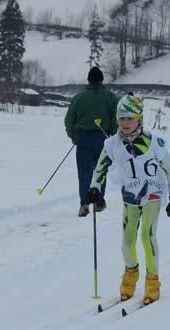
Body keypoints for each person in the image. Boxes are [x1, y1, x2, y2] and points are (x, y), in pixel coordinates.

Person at [88, 95, 170, 305]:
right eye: (121, 119)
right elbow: (100, 169)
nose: (125, 123)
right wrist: (94, 189)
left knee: (147, 237)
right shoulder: (111, 144)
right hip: (130, 197)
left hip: (153, 194)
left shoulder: (154, 142)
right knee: (127, 241)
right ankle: (130, 276)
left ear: (139, 118)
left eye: (130, 118)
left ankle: (152, 281)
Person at [64, 66, 118, 217]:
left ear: (88, 80)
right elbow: (116, 120)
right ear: (101, 80)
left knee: (84, 172)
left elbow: (69, 120)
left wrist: (74, 136)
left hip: (83, 138)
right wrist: (113, 137)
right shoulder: (110, 97)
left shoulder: (79, 98)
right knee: (101, 170)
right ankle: (99, 202)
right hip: (103, 138)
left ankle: (84, 204)